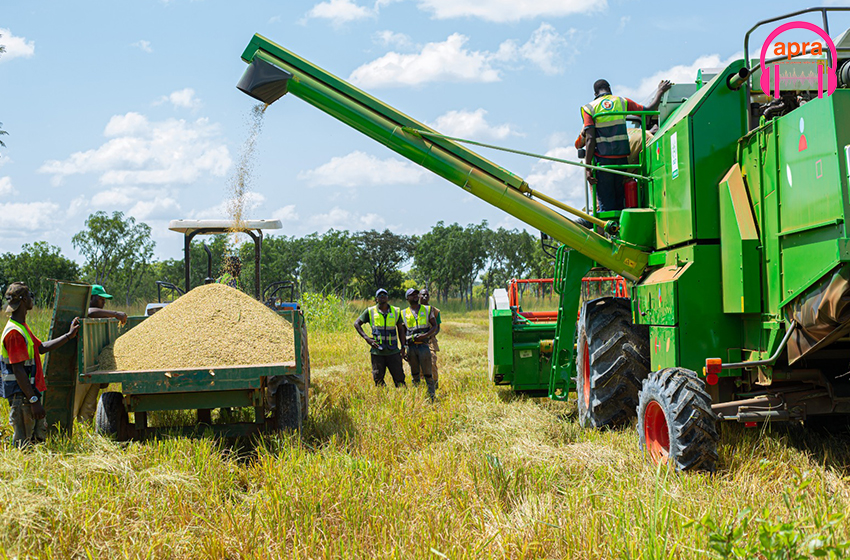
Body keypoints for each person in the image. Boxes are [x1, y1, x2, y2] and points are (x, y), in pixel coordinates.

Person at [1, 282, 80, 446]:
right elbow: (18, 371)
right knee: (24, 443)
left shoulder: (22, 327)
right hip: (21, 395)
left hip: (27, 394)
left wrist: (69, 336)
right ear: (23, 300)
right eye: (30, 295)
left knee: (35, 439)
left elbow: (41, 348)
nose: (32, 299)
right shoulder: (14, 332)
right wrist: (34, 400)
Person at [581, 78, 671, 211]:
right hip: (622, 161)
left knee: (607, 206)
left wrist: (588, 168)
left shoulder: (589, 108)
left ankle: (610, 230)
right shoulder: (622, 102)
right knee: (620, 202)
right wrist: (660, 91)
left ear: (595, 94)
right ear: (610, 89)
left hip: (603, 164)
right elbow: (649, 109)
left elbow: (590, 139)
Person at [77, 284, 125, 421]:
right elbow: (90, 312)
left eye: (105, 299)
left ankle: (84, 428)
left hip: (95, 367)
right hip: (81, 368)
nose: (104, 302)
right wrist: (115, 314)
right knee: (76, 404)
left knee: (89, 405)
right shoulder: (85, 312)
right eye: (100, 299)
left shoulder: (101, 317)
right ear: (91, 298)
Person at [354, 288, 407, 387]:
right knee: (378, 380)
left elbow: (401, 330)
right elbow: (357, 323)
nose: (382, 296)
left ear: (387, 297)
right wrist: (367, 338)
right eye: (380, 295)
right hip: (377, 352)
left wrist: (403, 347)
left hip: (393, 351)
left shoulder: (396, 311)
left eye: (384, 295)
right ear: (376, 299)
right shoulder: (370, 311)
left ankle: (402, 399)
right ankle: (382, 399)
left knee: (400, 379)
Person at [401, 288, 437, 400]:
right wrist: (403, 348)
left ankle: (431, 396)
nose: (415, 296)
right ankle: (417, 397)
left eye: (416, 294)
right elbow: (402, 332)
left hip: (423, 346)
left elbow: (435, 326)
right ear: (407, 298)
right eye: (412, 295)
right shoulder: (403, 313)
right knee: (415, 374)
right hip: (411, 347)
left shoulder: (427, 309)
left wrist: (425, 335)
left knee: (428, 373)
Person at [419, 288, 441, 390]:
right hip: (417, 341)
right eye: (423, 295)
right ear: (418, 296)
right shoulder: (414, 310)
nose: (425, 297)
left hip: (430, 342)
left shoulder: (435, 311)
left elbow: (437, 327)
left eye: (427, 295)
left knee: (432, 363)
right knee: (418, 366)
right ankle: (421, 388)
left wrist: (430, 335)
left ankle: (434, 386)